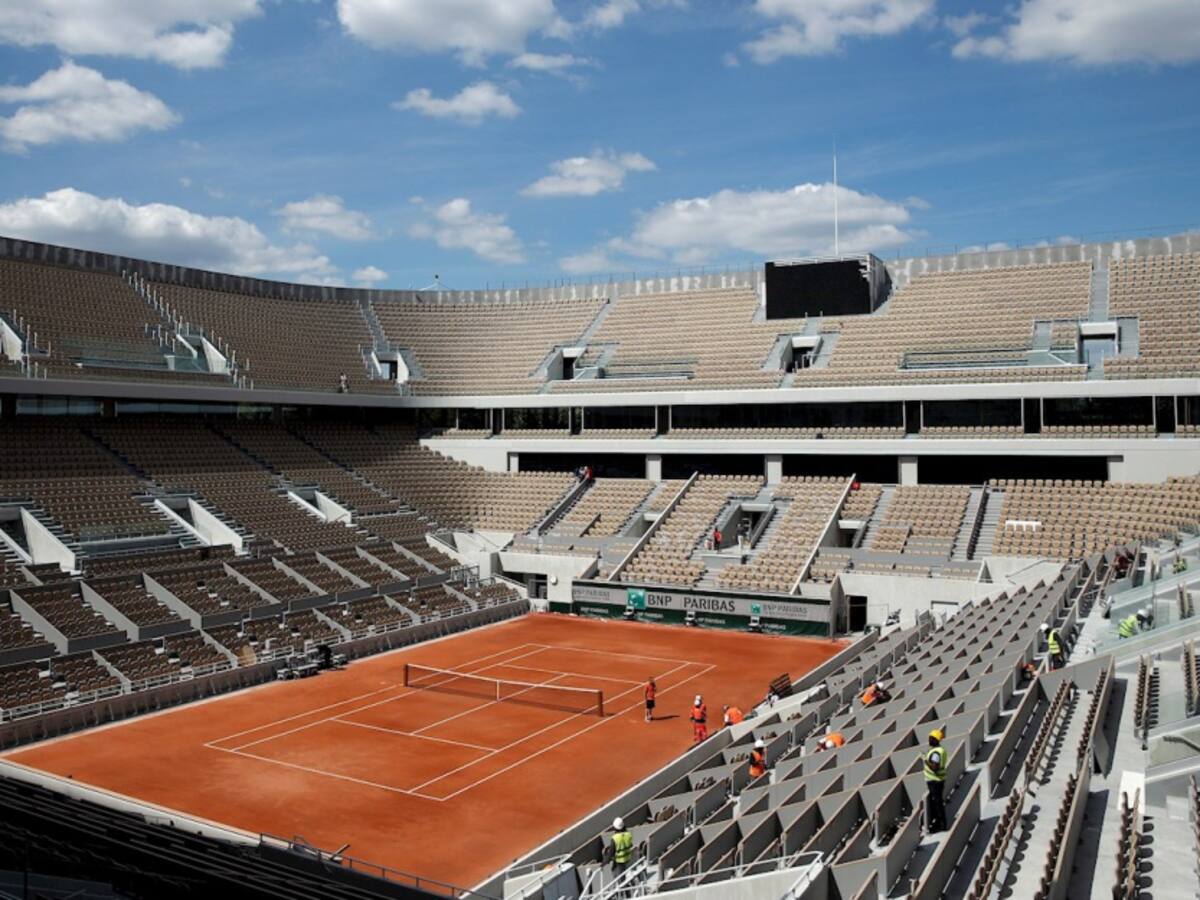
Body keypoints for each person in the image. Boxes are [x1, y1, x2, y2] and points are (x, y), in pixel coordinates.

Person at [924, 728, 948, 834]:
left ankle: (941, 824)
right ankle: (939, 822)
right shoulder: (939, 751)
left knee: (937, 803)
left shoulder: (936, 754)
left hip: (935, 781)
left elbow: (935, 768)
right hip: (937, 781)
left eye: (930, 738)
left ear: (935, 740)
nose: (929, 740)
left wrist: (926, 761)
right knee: (937, 802)